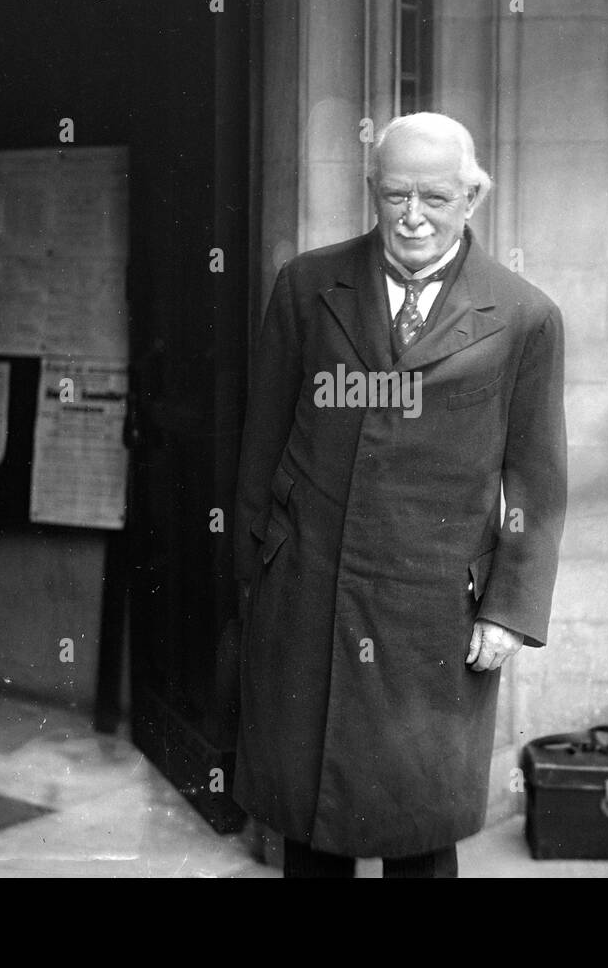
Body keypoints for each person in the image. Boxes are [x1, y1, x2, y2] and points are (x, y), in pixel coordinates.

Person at [232, 111, 567, 878]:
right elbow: (261, 447)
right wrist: (255, 578)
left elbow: (537, 484)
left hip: (433, 612)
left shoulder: (524, 317)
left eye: (435, 198)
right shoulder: (308, 287)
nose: (412, 216)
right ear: (372, 192)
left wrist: (511, 610)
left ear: (473, 197)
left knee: (418, 828)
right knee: (310, 826)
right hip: (309, 592)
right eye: (394, 196)